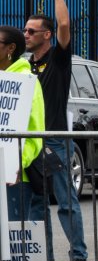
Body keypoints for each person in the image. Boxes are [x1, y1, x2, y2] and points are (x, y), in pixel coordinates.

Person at [24, 0, 88, 261]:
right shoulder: (24, 66)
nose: (26, 34)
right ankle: (43, 258)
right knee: (37, 202)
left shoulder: (58, 60)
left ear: (46, 35)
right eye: (24, 31)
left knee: (65, 201)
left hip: (56, 141)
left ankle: (78, 256)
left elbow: (64, 25)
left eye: (32, 31)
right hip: (31, 142)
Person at [1, 26, 45, 223]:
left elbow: (35, 129)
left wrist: (19, 162)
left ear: (10, 48)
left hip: (15, 177)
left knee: (12, 241)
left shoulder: (26, 81)